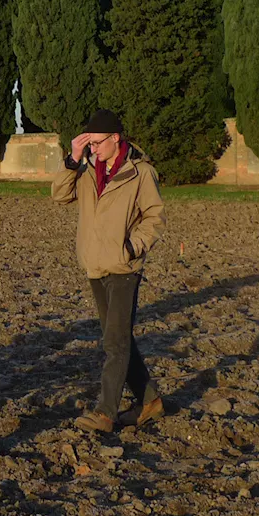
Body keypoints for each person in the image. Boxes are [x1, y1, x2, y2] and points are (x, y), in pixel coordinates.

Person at [52, 109, 165, 433]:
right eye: (89, 144)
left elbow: (155, 217)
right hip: (95, 265)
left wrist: (131, 248)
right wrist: (73, 159)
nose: (94, 149)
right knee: (118, 338)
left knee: (115, 343)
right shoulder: (86, 170)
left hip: (124, 268)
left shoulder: (141, 173)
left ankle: (105, 412)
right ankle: (150, 400)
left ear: (116, 139)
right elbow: (59, 195)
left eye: (97, 143)